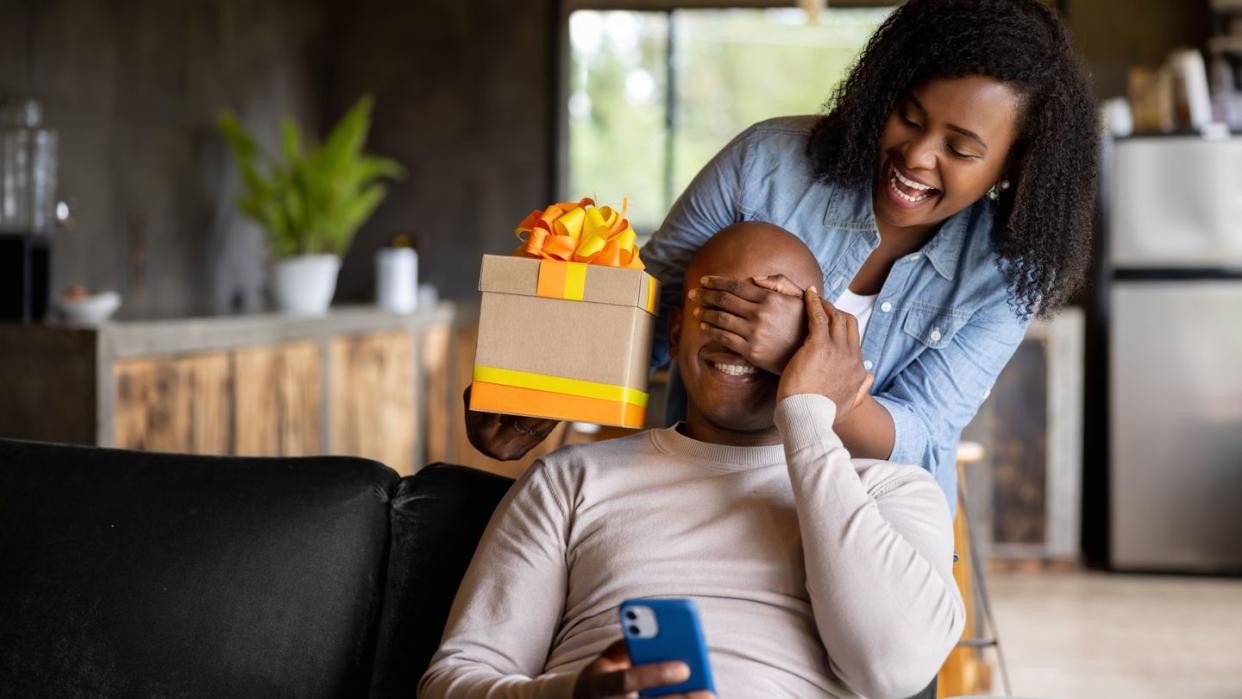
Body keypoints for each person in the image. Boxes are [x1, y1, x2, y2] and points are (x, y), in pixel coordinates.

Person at [466, 0, 1098, 506]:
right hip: (711, 494)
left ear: (1014, 165)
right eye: (908, 117)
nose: (916, 156)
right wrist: (538, 394)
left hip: (869, 523)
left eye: (960, 150)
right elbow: (654, 314)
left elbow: (923, 438)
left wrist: (807, 365)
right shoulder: (767, 167)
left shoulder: (1006, 274)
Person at [421, 223, 964, 699]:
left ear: (820, 341)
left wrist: (807, 415)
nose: (742, 337)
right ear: (677, 328)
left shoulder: (893, 492)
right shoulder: (571, 479)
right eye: (720, 305)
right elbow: (454, 680)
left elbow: (894, 669)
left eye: (773, 313)